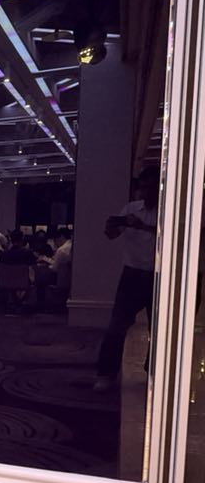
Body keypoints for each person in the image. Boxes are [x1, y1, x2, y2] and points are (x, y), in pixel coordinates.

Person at [94, 167, 159, 391]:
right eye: (143, 187)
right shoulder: (131, 209)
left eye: (151, 187)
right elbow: (113, 235)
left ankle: (154, 373)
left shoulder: (168, 211)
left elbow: (173, 235)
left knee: (158, 329)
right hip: (132, 274)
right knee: (116, 326)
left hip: (160, 277)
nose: (146, 192)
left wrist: (142, 226)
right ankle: (106, 374)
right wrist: (111, 227)